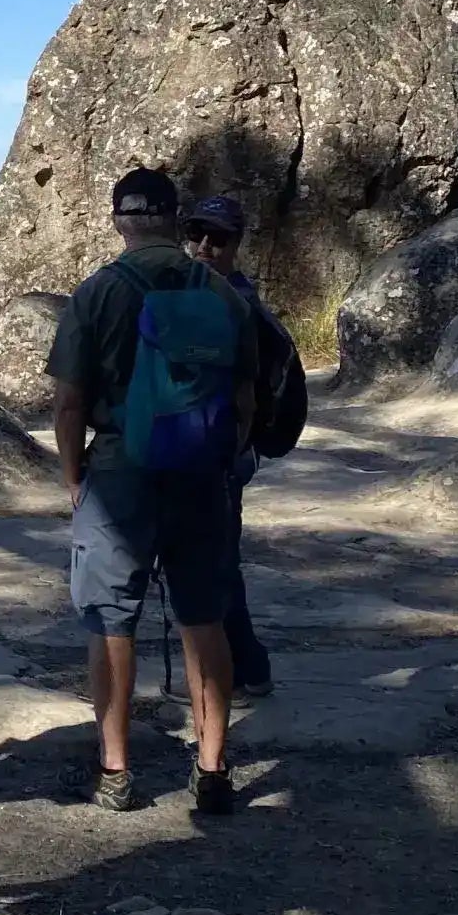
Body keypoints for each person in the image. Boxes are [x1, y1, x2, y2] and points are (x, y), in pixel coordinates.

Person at [48, 170, 259, 816]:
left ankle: (115, 770)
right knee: (204, 619)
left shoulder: (97, 293)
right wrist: (222, 458)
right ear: (173, 218)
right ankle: (213, 767)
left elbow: (68, 402)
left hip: (118, 471)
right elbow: (248, 395)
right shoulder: (221, 293)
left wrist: (75, 478)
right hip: (199, 472)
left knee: (111, 622)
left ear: (119, 221)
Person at [182, 195, 303, 704]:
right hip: (218, 450)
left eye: (219, 238)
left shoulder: (233, 304)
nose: (205, 246)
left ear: (238, 243)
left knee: (213, 563)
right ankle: (248, 666)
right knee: (217, 560)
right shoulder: (215, 295)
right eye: (197, 234)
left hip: (222, 453)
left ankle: (238, 670)